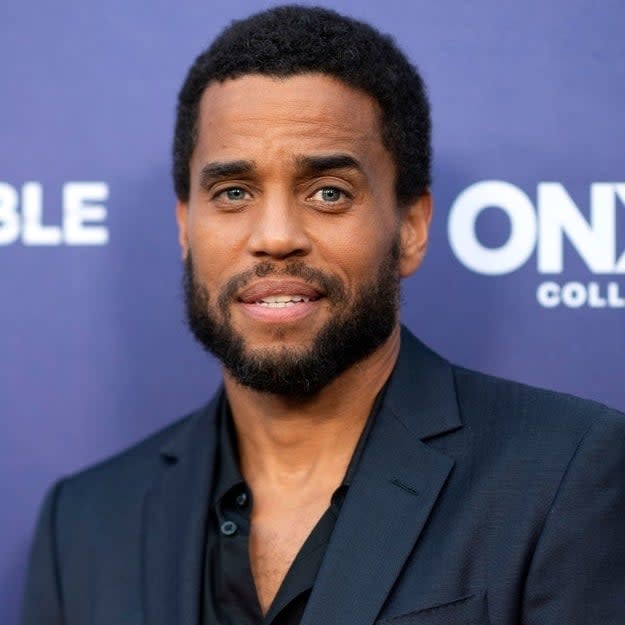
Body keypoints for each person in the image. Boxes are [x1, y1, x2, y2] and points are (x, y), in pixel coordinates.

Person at [21, 5, 625, 625]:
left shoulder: (564, 476)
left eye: (328, 192)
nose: (276, 236)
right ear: (185, 228)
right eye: (234, 193)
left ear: (411, 229)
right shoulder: (84, 523)